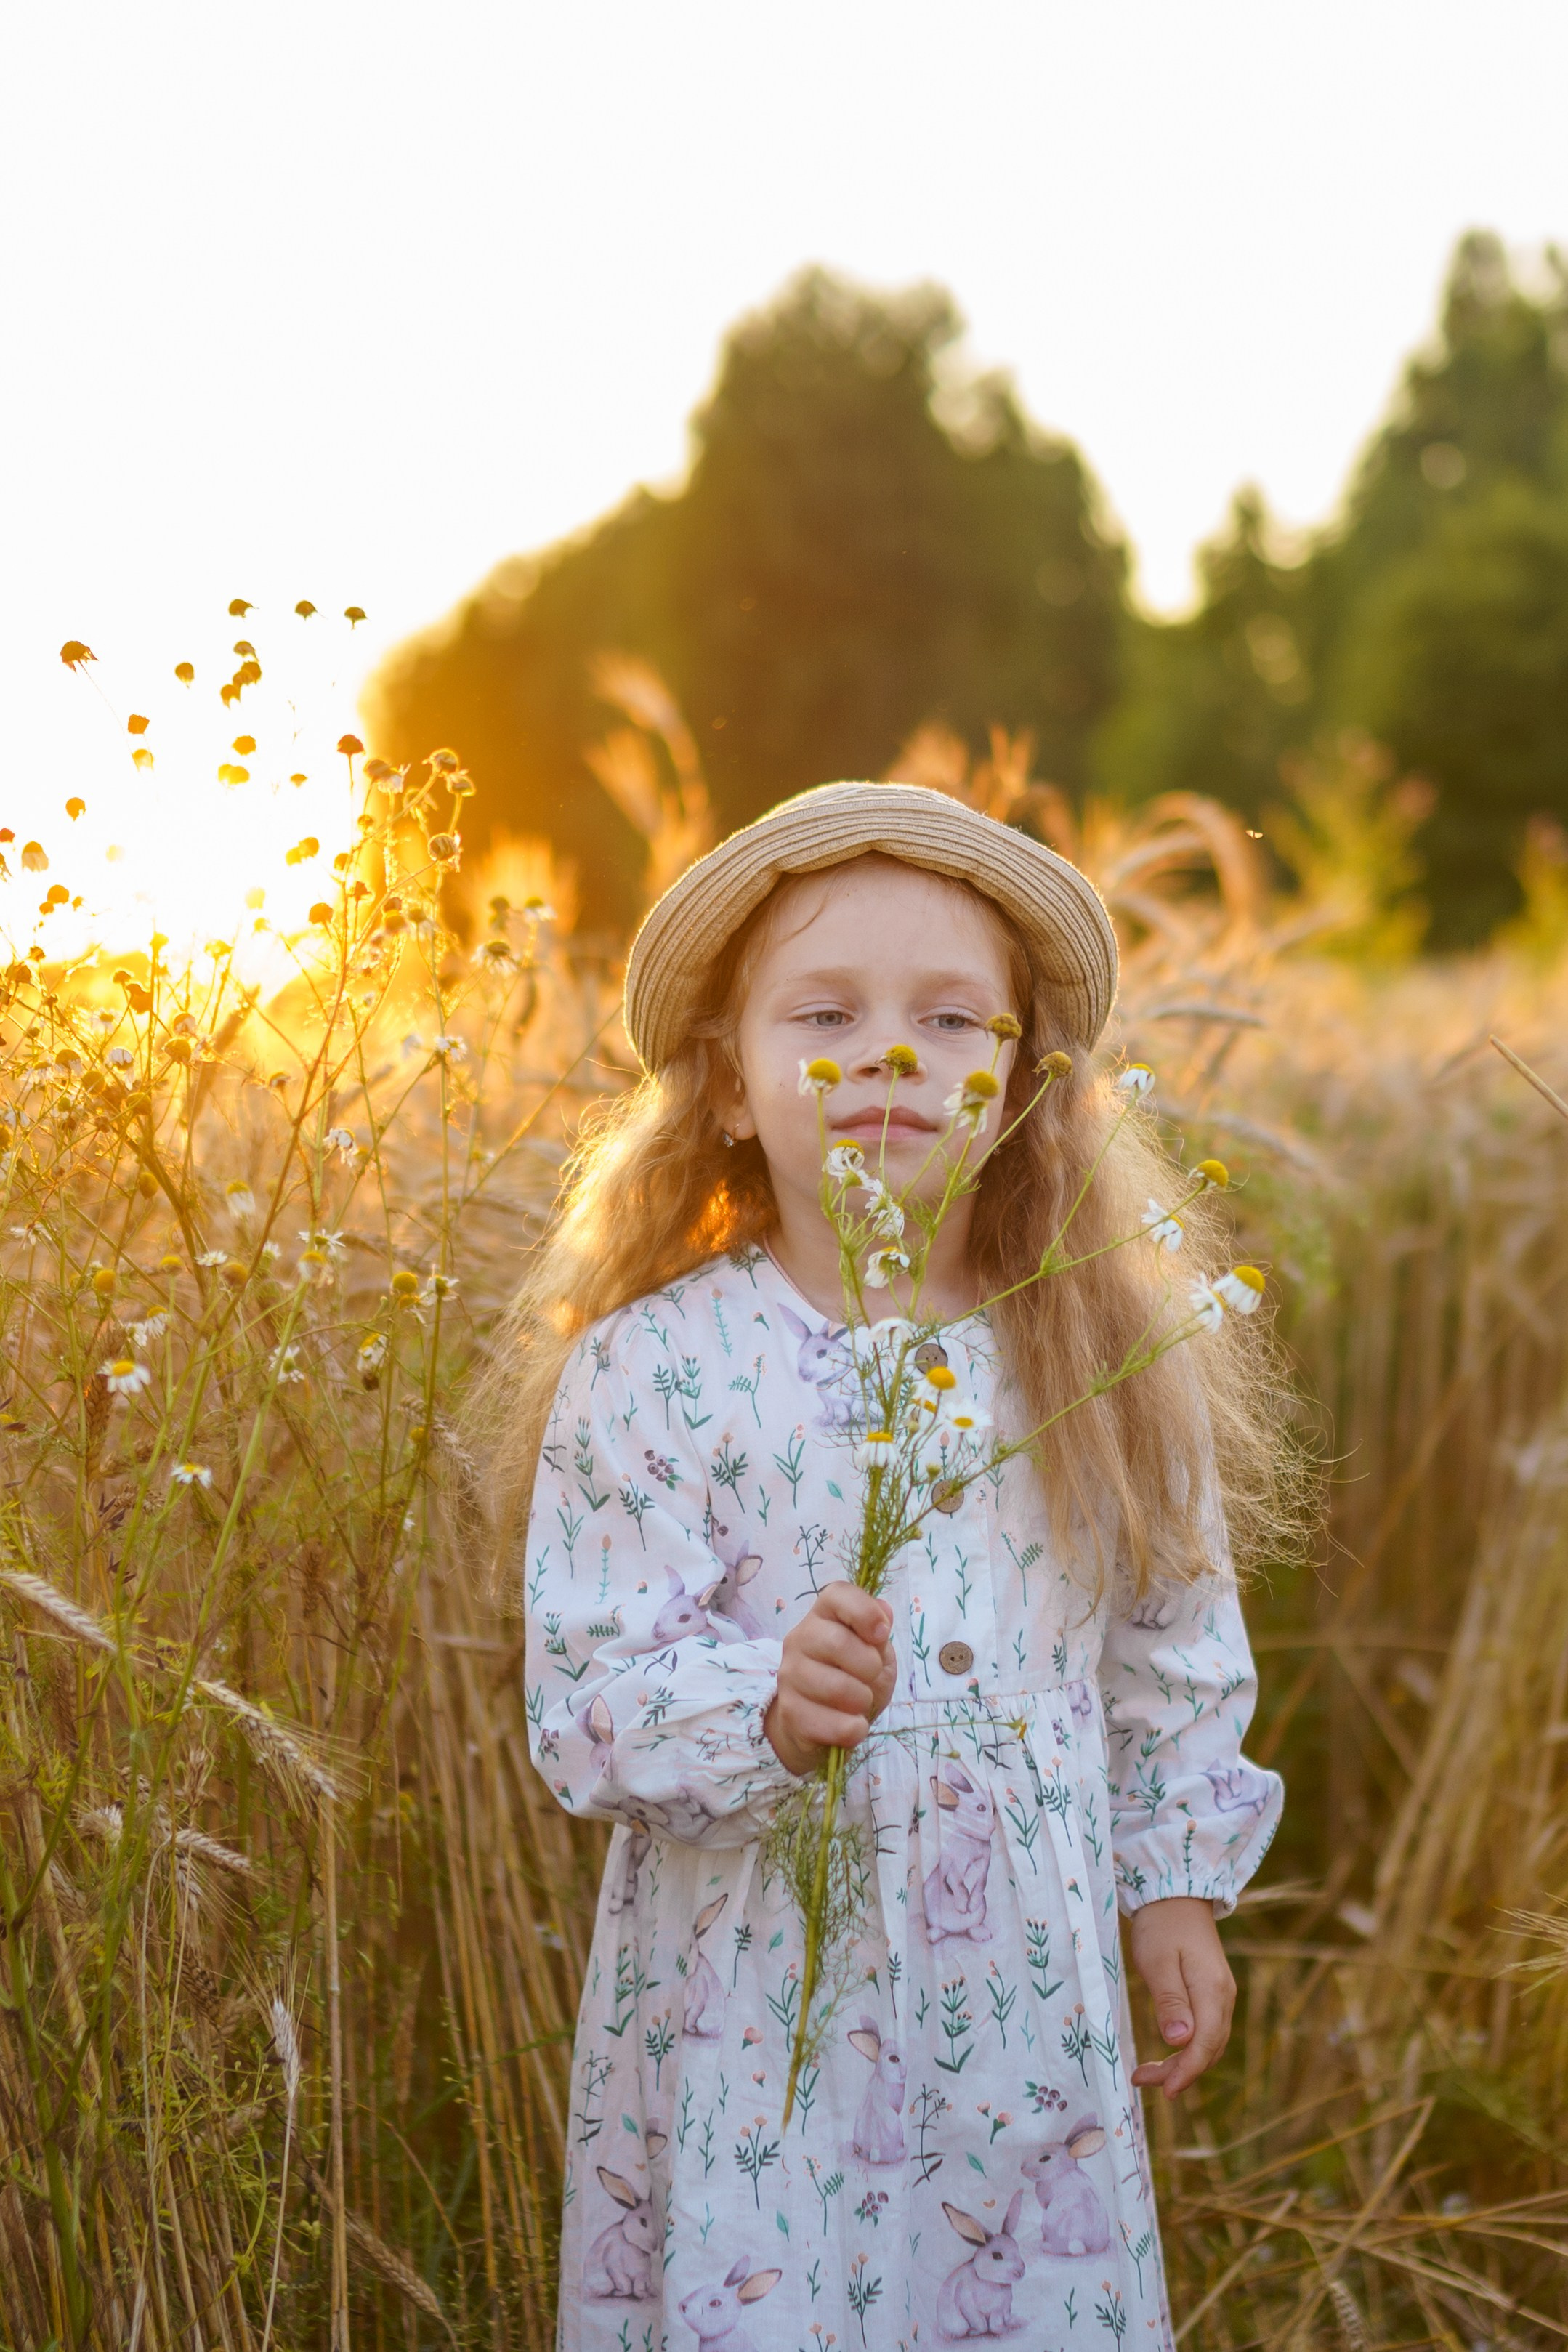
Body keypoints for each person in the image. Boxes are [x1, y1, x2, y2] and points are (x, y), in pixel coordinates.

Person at [475, 782, 1299, 2350]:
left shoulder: (1098, 1345)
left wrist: (1171, 1885)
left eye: (947, 1018)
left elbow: (1169, 1630)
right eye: (824, 1012)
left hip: (1021, 2001)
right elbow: (584, 1697)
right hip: (755, 2000)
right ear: (726, 1078)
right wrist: (765, 1702)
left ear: (1020, 1084)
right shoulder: (652, 1369)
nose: (888, 1056)